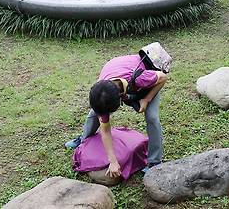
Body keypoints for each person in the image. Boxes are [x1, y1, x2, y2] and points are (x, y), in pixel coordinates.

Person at [64, 44, 170, 174]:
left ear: (120, 99)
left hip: (147, 82)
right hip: (120, 74)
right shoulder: (101, 88)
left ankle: (155, 162)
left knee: (152, 117)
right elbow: (105, 129)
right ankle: (84, 141)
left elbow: (163, 77)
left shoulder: (141, 79)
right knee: (95, 113)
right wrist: (113, 161)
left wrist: (146, 99)